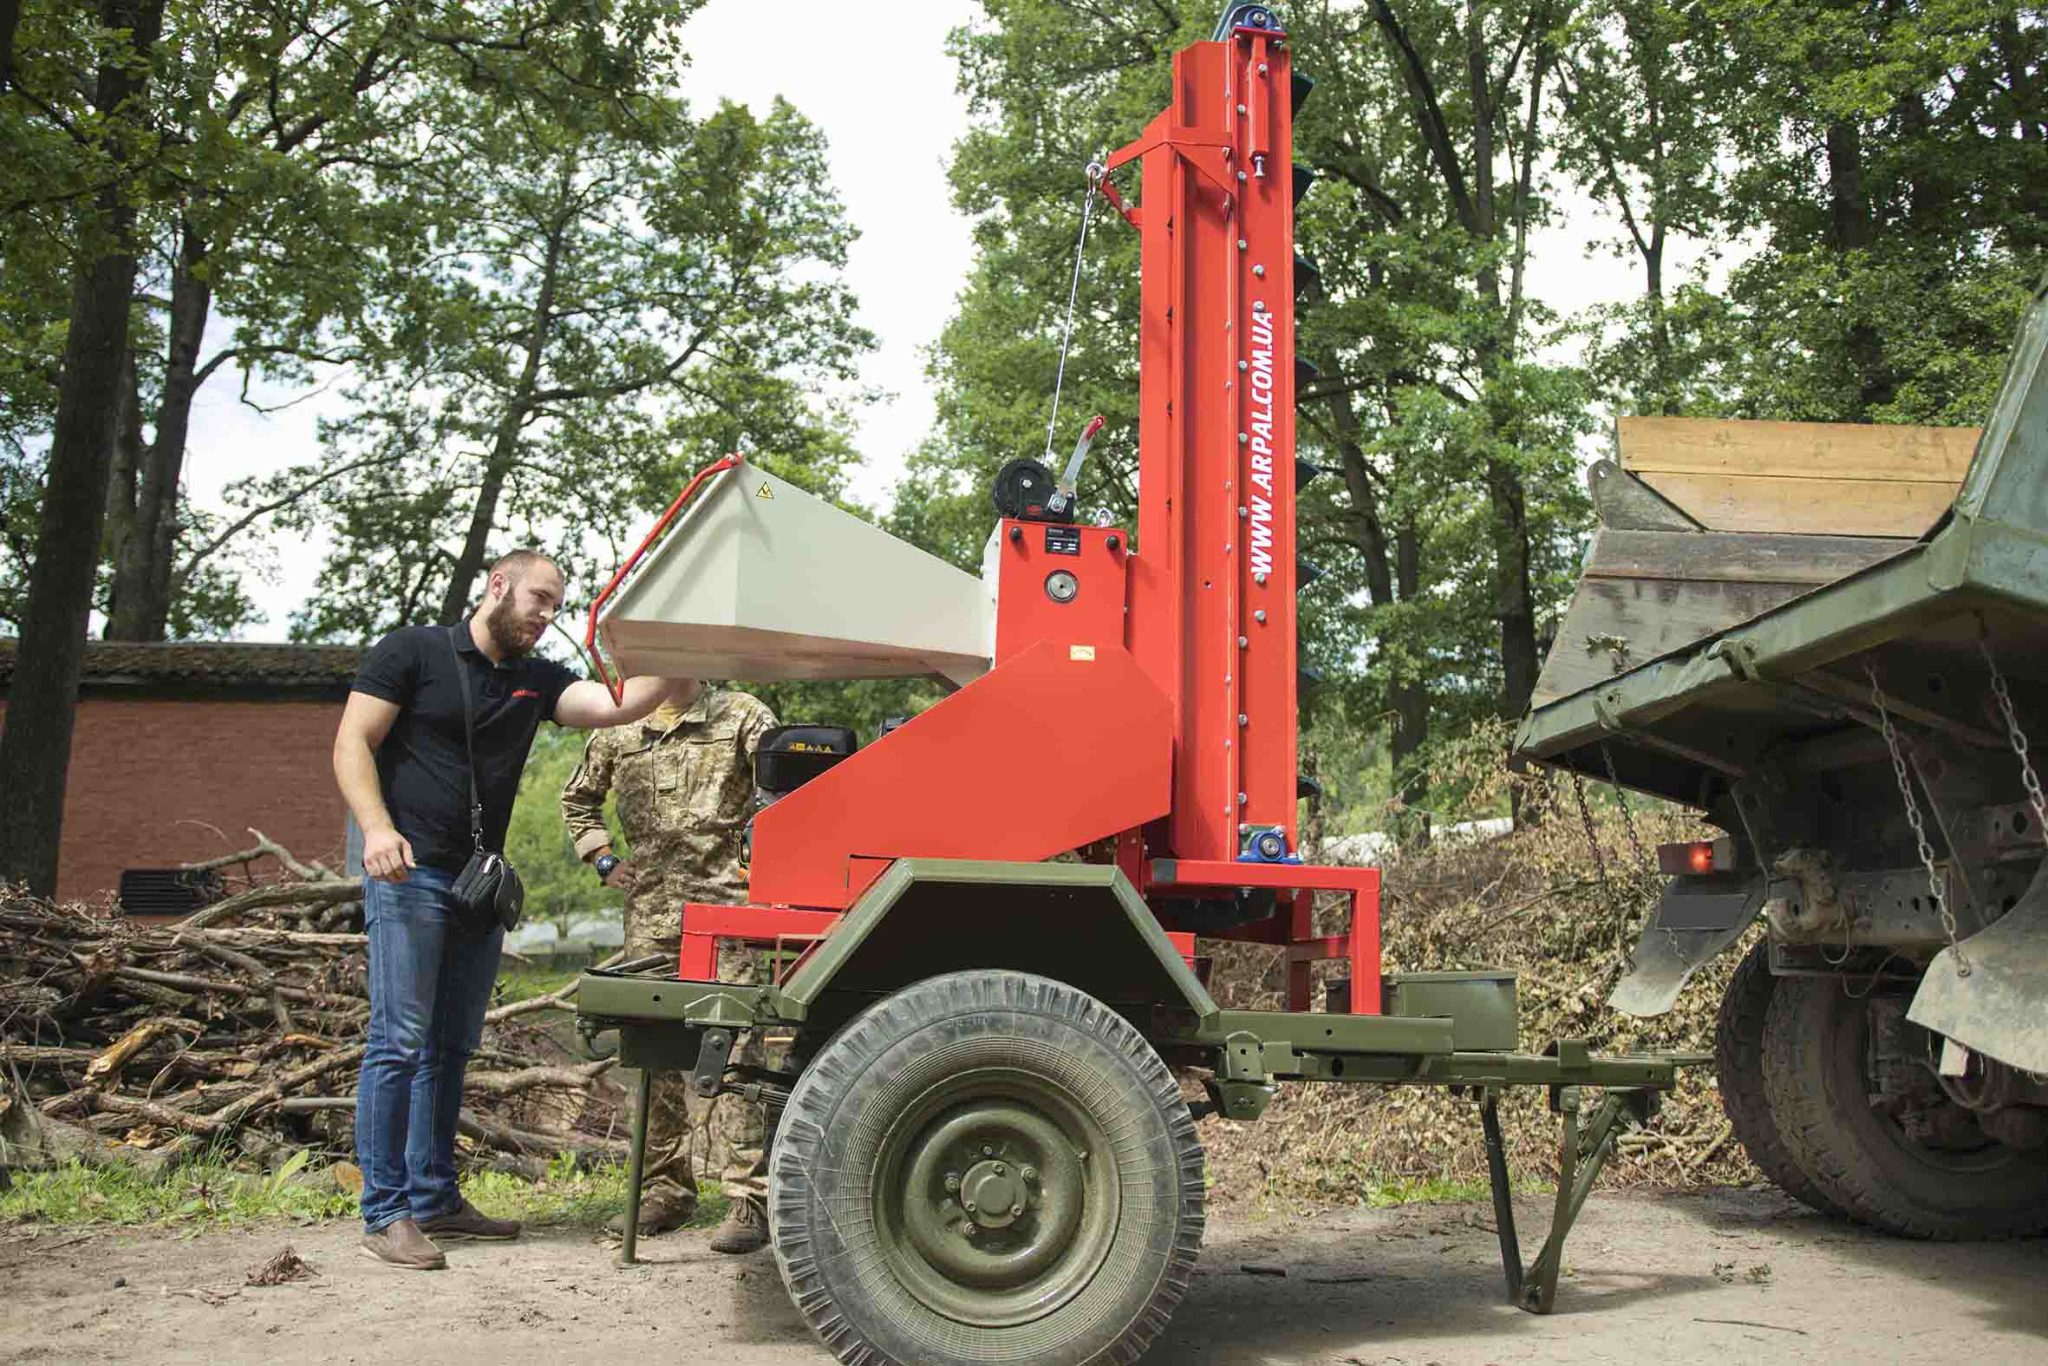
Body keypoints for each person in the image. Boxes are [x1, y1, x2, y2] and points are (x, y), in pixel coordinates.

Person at [333, 548, 684, 1271]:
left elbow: (611, 705)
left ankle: (434, 1198)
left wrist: (677, 652)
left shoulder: (535, 677)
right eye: (540, 599)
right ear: (499, 585)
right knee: (398, 1040)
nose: (548, 616)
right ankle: (386, 1211)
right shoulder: (412, 651)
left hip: (479, 887)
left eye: (557, 605)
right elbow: (351, 743)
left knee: (450, 1048)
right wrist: (376, 829)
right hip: (409, 873)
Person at [560, 680, 777, 1252]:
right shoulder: (619, 722)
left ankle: (750, 1199)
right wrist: (602, 857)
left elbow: (784, 796)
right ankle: (665, 1190)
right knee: (650, 1048)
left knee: (736, 1044)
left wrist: (763, 863)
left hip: (728, 911)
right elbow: (577, 798)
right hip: (651, 914)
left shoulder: (743, 715)